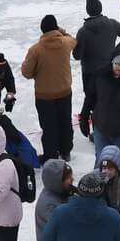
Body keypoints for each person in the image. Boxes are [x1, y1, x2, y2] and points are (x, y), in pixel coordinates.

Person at [74, 0, 120, 140]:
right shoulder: (111, 24)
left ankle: (99, 132)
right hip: (109, 69)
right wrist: (115, 52)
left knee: (93, 102)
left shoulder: (83, 32)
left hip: (90, 73)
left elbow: (77, 55)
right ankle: (114, 127)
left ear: (88, 11)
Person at [21, 15, 77, 160]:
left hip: (44, 95)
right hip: (65, 92)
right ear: (56, 28)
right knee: (65, 122)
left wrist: (38, 73)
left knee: (49, 126)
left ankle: (51, 154)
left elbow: (26, 73)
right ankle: (66, 151)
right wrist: (62, 31)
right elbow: (74, 40)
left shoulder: (35, 50)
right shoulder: (65, 43)